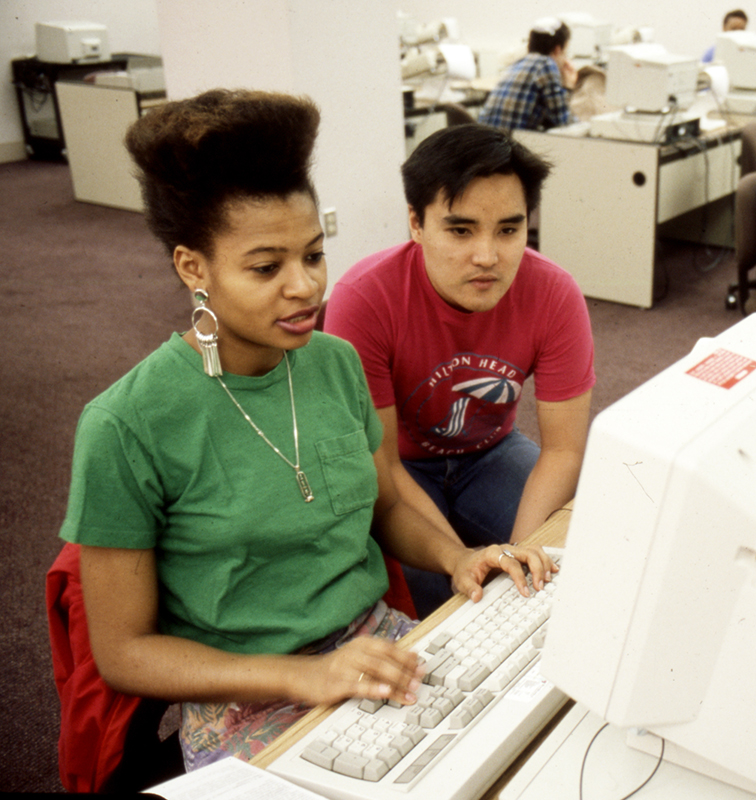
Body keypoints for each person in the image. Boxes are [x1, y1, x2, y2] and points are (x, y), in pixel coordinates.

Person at [58, 89, 556, 772]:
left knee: (537, 738)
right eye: (267, 267)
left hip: (374, 648)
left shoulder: (333, 361)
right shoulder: (127, 423)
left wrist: (454, 557)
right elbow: (123, 653)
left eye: (314, 256)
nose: (305, 288)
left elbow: (383, 502)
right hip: (246, 693)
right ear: (192, 268)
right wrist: (301, 677)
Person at [323, 124, 595, 618]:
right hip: (401, 467)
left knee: (563, 565)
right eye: (460, 230)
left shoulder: (554, 293)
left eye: (509, 230)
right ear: (416, 222)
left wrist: (519, 553)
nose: (487, 257)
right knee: (440, 605)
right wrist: (463, 559)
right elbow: (381, 465)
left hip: (490, 453)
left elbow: (563, 449)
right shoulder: (364, 299)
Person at [478, 17, 578, 132]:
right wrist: (569, 86)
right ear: (557, 49)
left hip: (488, 141)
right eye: (566, 52)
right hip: (507, 145)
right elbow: (564, 122)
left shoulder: (518, 63)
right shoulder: (546, 64)